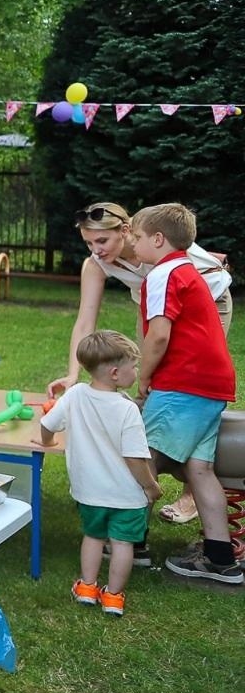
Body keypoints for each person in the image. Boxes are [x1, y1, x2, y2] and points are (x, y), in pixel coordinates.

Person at [46, 201, 232, 526]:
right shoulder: (98, 264)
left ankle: (172, 492)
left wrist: (148, 376)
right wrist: (74, 374)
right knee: (152, 374)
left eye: (102, 241)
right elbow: (84, 321)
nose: (96, 250)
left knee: (181, 383)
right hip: (153, 305)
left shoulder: (155, 245)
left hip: (209, 299)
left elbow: (162, 336)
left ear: (126, 231)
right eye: (88, 243)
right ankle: (154, 437)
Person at [126, 203, 242, 585]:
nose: (133, 242)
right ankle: (220, 559)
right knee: (199, 469)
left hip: (183, 383)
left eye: (137, 236)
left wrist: (144, 378)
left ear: (158, 239)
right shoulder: (188, 271)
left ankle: (132, 545)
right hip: (211, 384)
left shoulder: (162, 274)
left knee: (142, 458)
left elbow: (159, 335)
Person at [37, 331, 161, 616]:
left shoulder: (76, 394)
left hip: (89, 492)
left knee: (93, 537)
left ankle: (87, 587)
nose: (137, 371)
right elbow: (135, 458)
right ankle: (114, 597)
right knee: (122, 543)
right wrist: (150, 486)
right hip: (126, 496)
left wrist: (48, 442)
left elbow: (48, 424)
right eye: (134, 366)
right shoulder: (127, 410)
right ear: (116, 373)